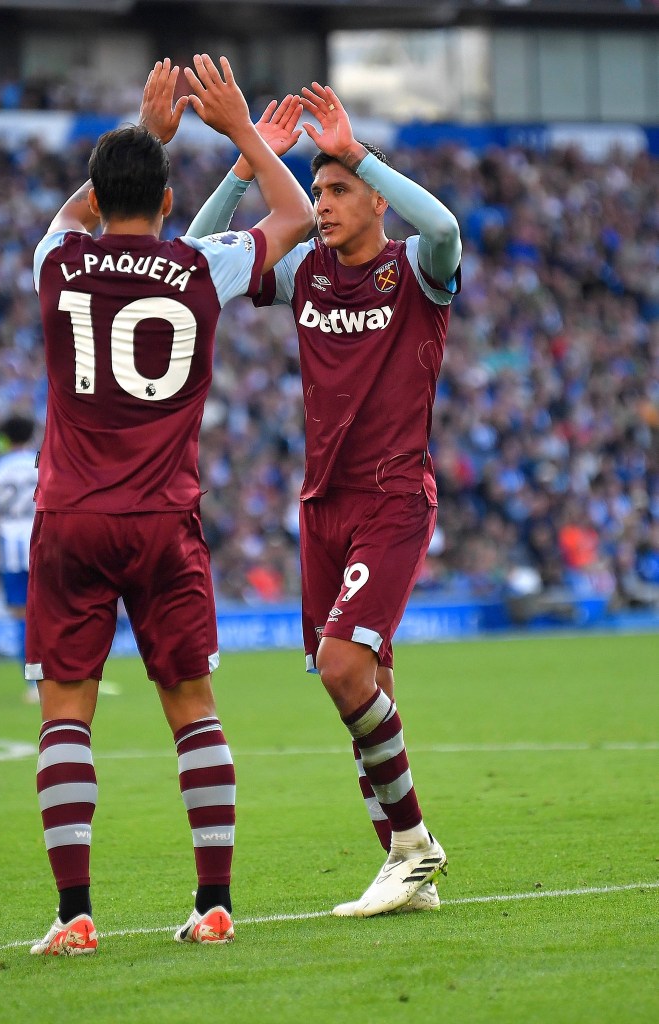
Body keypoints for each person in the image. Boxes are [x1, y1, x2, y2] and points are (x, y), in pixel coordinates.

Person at [26, 56, 312, 955]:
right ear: (164, 196)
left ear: (103, 193)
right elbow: (298, 217)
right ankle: (214, 901)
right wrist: (239, 134)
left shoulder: (57, 263)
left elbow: (73, 215)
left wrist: (147, 135)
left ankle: (75, 915)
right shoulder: (201, 264)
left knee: (66, 710)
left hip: (70, 514)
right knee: (192, 705)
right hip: (163, 519)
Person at [188, 82, 461, 916]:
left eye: (338, 190)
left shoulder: (415, 268)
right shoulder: (303, 267)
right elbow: (191, 265)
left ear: (376, 198)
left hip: (389, 497)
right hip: (322, 506)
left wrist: (362, 151)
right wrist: (242, 169)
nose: (322, 204)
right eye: (316, 191)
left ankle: (414, 845)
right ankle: (400, 869)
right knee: (359, 682)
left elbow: (445, 226)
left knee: (345, 668)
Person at [0, 413, 39, 700]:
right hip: (45, 544)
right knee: (55, 613)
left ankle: (33, 684)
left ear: (5, 439)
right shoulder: (43, 461)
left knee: (22, 620)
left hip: (10, 551)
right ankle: (70, 676)